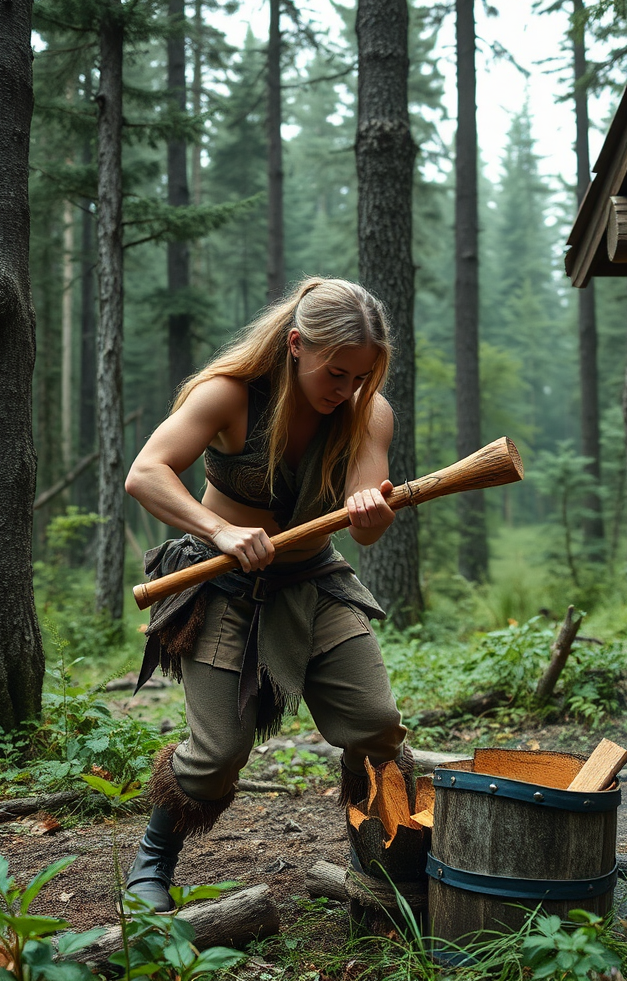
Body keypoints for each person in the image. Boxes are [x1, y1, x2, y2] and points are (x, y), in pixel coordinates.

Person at [122, 276, 411, 911]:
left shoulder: (369, 413)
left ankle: (385, 854)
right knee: (218, 754)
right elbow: (145, 474)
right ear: (296, 345)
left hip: (313, 582)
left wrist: (371, 512)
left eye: (361, 377)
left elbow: (369, 517)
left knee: (376, 726)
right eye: (336, 373)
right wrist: (221, 530)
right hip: (221, 586)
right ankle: (152, 860)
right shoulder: (227, 396)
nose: (348, 391)